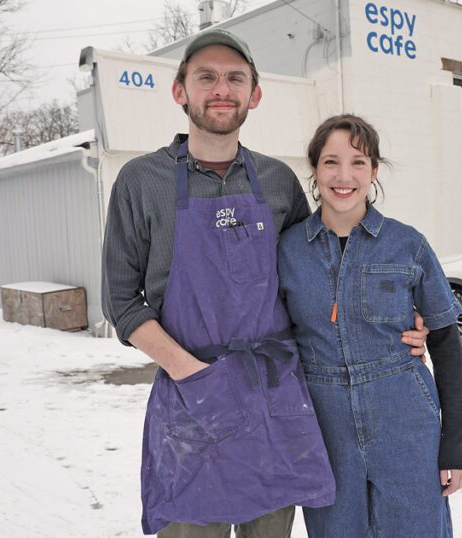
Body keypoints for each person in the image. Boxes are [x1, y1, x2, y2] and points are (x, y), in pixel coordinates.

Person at [100, 30, 428, 537]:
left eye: (235, 78)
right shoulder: (141, 182)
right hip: (192, 410)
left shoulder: (277, 182)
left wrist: (398, 319)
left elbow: (319, 273)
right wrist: (194, 376)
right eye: (205, 76)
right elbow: (121, 302)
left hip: (274, 404)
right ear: (179, 90)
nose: (221, 89)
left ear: (254, 94)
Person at [278, 115, 462, 537]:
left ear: (374, 171)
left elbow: (446, 346)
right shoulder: (287, 250)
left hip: (404, 422)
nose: (343, 176)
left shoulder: (408, 245)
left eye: (358, 162)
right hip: (325, 429)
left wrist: (455, 445)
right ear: (313, 168)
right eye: (331, 162)